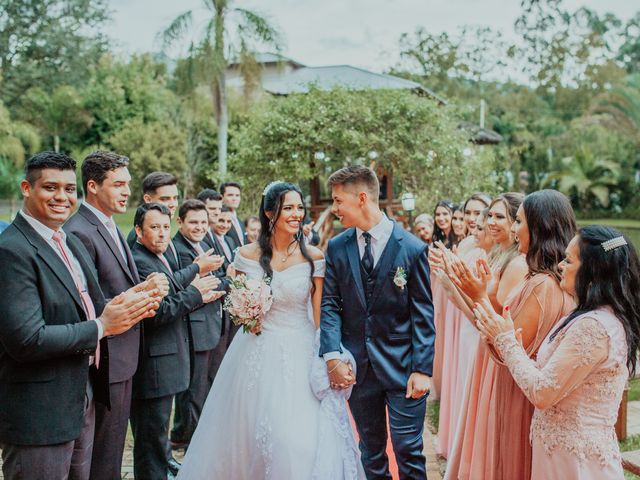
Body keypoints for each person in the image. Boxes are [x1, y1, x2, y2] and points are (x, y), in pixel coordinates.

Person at [178, 182, 363, 479]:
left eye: (299, 208)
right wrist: (247, 312)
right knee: (245, 435)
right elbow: (235, 304)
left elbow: (319, 315)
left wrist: (330, 354)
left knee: (296, 440)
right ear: (269, 213)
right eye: (288, 208)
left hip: (300, 349)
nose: (296, 214)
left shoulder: (314, 256)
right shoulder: (245, 255)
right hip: (255, 350)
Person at [0, 151, 161, 480]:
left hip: (82, 394)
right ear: (26, 189)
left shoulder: (69, 241)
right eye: (50, 187)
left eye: (68, 189)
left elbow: (93, 303)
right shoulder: (11, 250)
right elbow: (27, 339)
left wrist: (133, 299)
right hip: (40, 413)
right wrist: (102, 326)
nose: (62, 197)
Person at [474, 224, 640, 479]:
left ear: (592, 273)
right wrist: (510, 342)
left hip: (575, 461)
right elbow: (552, 375)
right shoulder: (588, 316)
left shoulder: (593, 328)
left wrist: (505, 341)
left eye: (569, 261)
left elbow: (543, 392)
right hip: (560, 453)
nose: (560, 265)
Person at [445, 190, 576, 480]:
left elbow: (508, 347)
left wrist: (477, 295)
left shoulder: (542, 284)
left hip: (519, 392)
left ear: (539, 226)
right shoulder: (546, 277)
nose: (514, 230)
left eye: (518, 222)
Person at [320, 166, 435, 479]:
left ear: (361, 198)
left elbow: (423, 312)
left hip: (403, 369)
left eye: (337, 201)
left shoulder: (411, 248)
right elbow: (330, 303)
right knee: (370, 452)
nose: (334, 209)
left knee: (408, 451)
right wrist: (332, 355)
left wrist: (422, 369)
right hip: (359, 369)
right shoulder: (337, 247)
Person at [64, 150, 168, 480]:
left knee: (112, 451)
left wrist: (146, 287)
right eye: (118, 184)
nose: (127, 192)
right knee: (99, 456)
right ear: (92, 186)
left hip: (125, 357)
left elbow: (120, 283)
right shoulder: (80, 230)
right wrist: (137, 298)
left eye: (128, 184)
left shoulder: (108, 225)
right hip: (104, 360)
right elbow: (87, 301)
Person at [130, 203, 222, 480]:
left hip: (167, 361)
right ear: (138, 230)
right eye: (154, 228)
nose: (162, 234)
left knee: (157, 439)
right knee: (150, 443)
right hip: (153, 365)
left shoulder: (159, 256)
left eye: (164, 227)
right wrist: (195, 293)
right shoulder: (141, 260)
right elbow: (158, 312)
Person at [443, 192, 528, 480]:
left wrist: (461, 289)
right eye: (489, 215)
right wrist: (456, 286)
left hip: (496, 353)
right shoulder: (496, 256)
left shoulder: (515, 264)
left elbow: (490, 318)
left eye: (500, 216)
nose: (490, 221)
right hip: (485, 348)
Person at [170, 199, 225, 449]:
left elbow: (213, 278)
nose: (200, 227)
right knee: (193, 391)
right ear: (180, 222)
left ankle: (192, 434)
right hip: (194, 328)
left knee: (203, 387)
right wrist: (230, 279)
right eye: (193, 222)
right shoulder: (180, 250)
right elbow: (198, 287)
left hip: (209, 326)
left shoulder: (203, 243)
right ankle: (189, 440)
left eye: (203, 222)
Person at [220, 181, 246, 246]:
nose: (234, 198)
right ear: (222, 197)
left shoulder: (240, 222)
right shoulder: (218, 220)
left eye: (237, 195)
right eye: (230, 195)